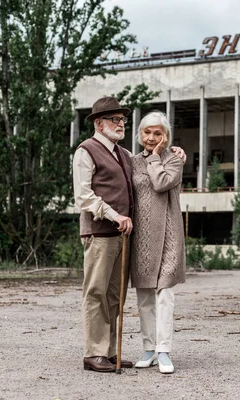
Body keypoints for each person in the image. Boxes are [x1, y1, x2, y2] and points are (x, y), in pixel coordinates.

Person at [73, 97, 185, 373]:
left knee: (115, 297)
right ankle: (94, 353)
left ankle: (109, 352)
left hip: (124, 237)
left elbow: (155, 174)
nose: (121, 124)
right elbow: (83, 196)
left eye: (123, 120)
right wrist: (115, 216)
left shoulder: (125, 155)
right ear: (100, 123)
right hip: (100, 232)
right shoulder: (85, 151)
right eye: (115, 120)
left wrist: (173, 151)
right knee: (96, 293)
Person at [129, 111, 186, 374]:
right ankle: (149, 348)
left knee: (164, 294)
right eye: (147, 132)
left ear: (166, 136)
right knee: (144, 297)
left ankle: (164, 351)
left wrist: (154, 158)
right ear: (139, 134)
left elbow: (161, 183)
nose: (151, 138)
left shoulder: (174, 160)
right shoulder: (130, 162)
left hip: (168, 236)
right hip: (141, 237)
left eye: (157, 133)